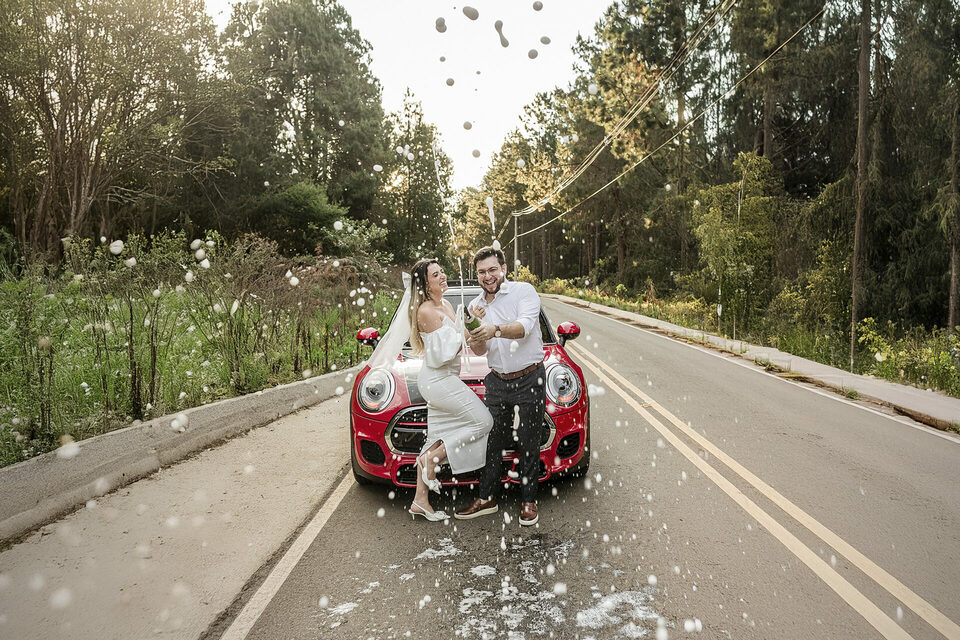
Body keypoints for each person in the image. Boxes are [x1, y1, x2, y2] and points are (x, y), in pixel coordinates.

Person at [455, 247, 546, 526]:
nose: (488, 276)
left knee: (529, 440)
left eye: (492, 269)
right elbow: (482, 350)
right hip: (497, 381)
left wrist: (494, 328)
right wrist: (477, 335)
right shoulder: (474, 307)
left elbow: (525, 327)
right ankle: (486, 498)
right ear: (477, 275)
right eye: (482, 272)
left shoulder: (523, 292)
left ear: (503, 268)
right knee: (492, 440)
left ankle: (529, 501)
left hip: (530, 376)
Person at [402, 258, 494, 521]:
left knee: (437, 436)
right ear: (425, 284)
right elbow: (444, 352)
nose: (442, 276)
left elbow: (458, 333)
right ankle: (432, 460)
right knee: (483, 421)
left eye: (441, 272)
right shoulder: (425, 311)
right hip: (438, 380)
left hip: (446, 379)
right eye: (435, 275)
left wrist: (473, 320)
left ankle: (420, 501)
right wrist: (467, 331)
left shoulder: (444, 304)